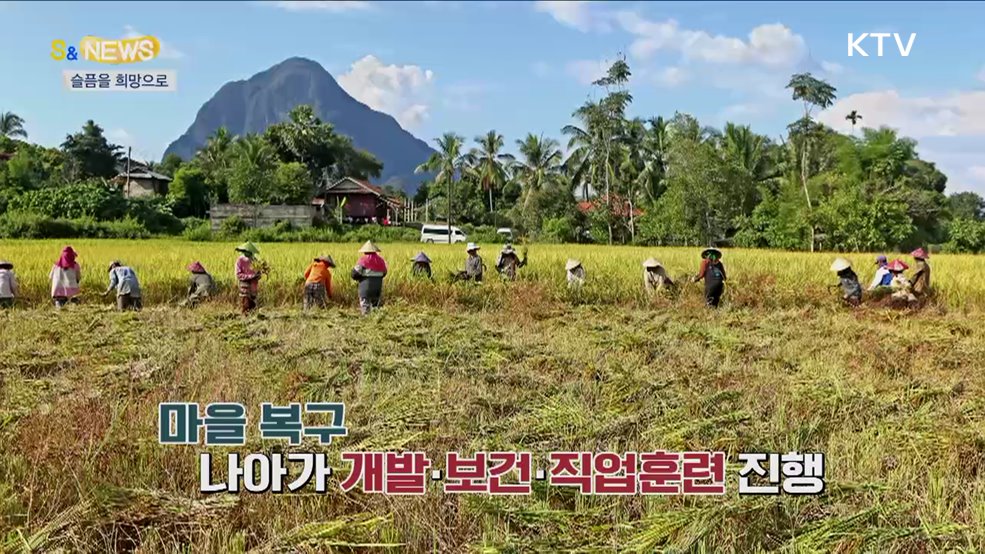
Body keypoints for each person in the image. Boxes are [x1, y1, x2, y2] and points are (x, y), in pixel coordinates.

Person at [351, 240, 387, 315]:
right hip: (377, 287)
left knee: (365, 306)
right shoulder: (381, 260)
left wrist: (358, 278)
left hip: (366, 287)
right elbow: (384, 273)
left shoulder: (363, 260)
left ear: (365, 251)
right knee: (375, 306)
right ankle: (376, 318)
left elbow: (355, 273)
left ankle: (366, 319)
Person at [235, 242, 263, 315]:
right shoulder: (240, 260)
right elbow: (238, 274)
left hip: (253, 287)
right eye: (245, 251)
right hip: (244, 286)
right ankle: (245, 318)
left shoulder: (255, 261)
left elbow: (259, 274)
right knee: (245, 305)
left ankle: (253, 318)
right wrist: (251, 276)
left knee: (253, 305)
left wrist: (258, 275)